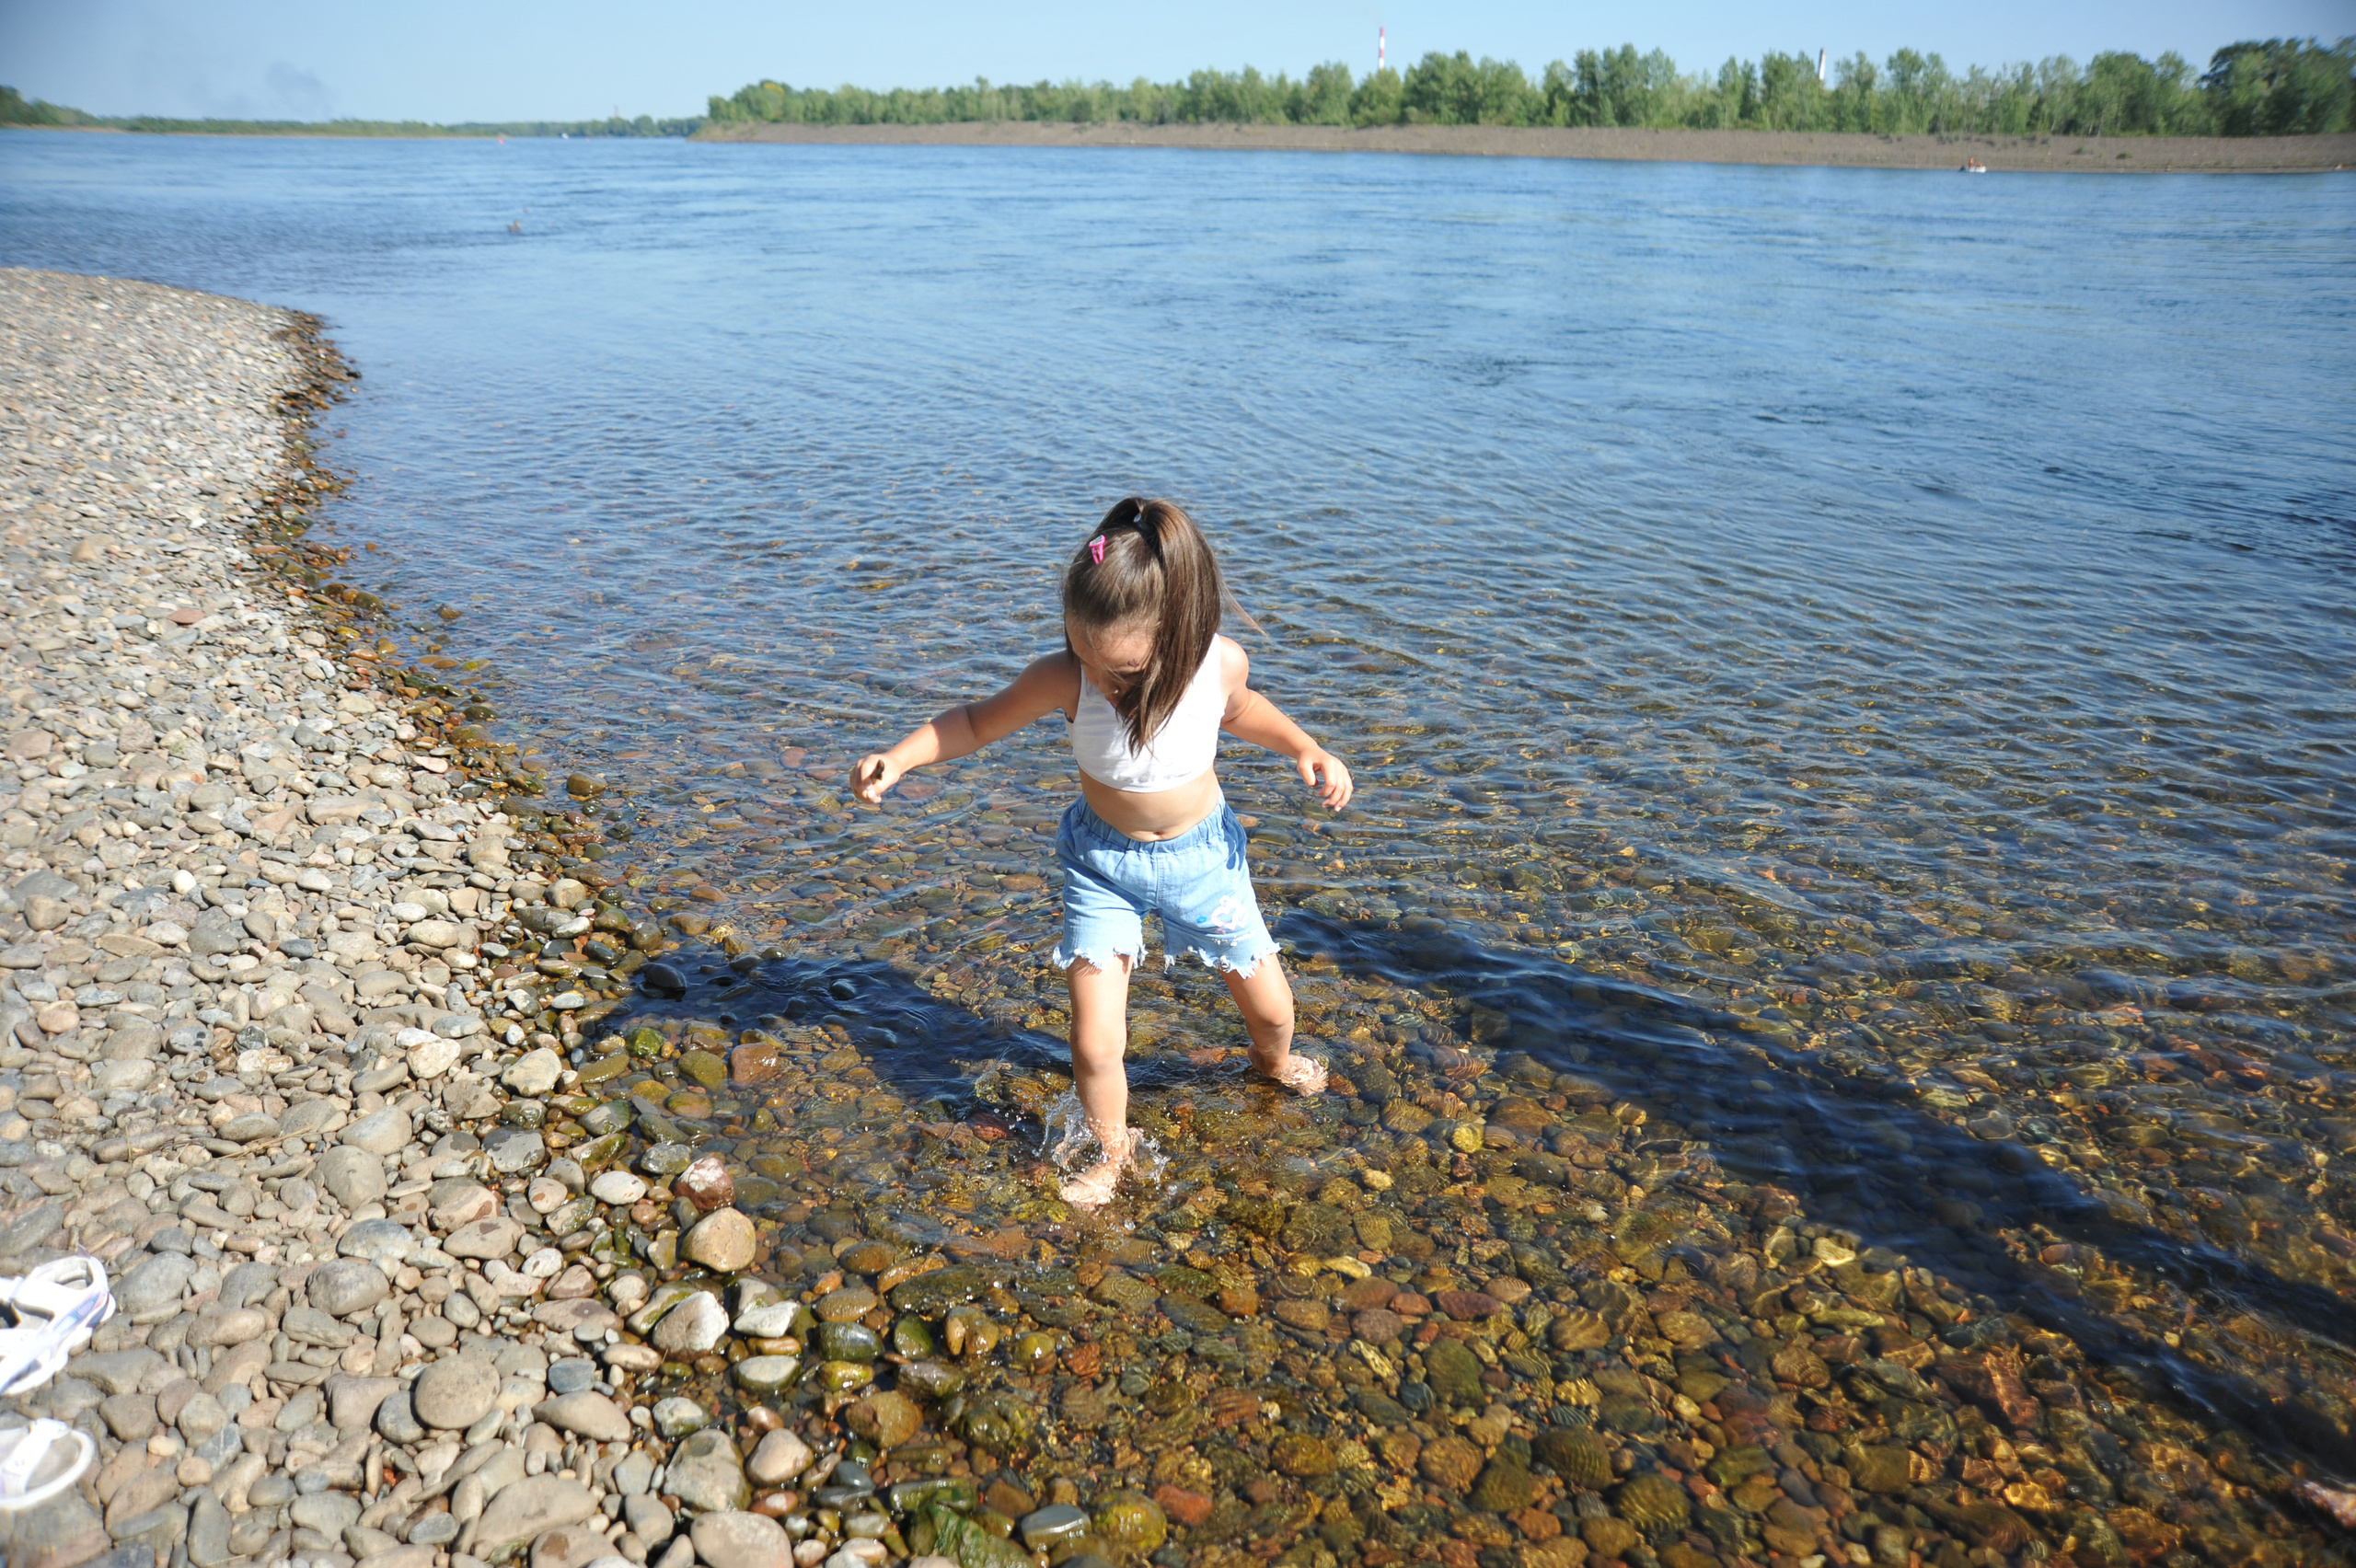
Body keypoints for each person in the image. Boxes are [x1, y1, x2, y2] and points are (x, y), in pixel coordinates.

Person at [852, 496, 1354, 1208]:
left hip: (1204, 862)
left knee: (1272, 1010)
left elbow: (1245, 712)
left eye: (1119, 669)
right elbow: (972, 722)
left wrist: (1306, 747)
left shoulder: (1217, 666)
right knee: (1093, 1041)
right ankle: (1111, 1152)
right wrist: (898, 760)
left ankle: (1270, 1066)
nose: (1102, 680)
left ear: (1177, 633)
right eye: (1084, 652)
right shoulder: (1066, 674)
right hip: (1101, 868)